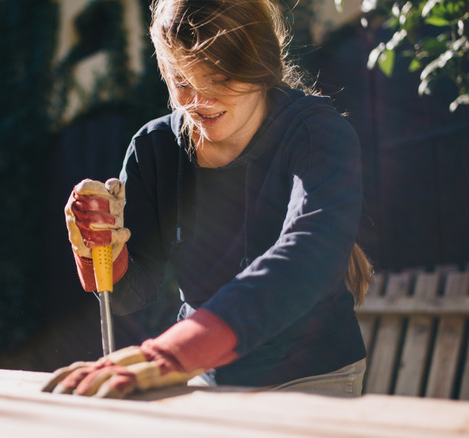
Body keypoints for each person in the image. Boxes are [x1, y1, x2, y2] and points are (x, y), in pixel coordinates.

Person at [43, 0, 372, 399]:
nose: (200, 101)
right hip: (208, 378)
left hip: (314, 375)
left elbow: (309, 255)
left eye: (219, 78)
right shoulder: (154, 148)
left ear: (261, 65)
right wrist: (101, 252)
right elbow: (129, 296)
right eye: (182, 81)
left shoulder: (317, 134)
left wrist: (172, 354)